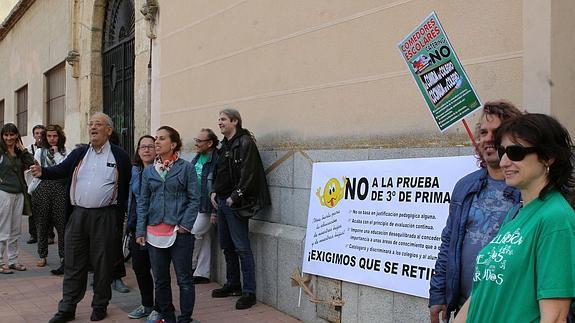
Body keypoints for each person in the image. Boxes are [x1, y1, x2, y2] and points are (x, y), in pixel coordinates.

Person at [454, 113, 575, 323]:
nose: (504, 161)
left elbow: (554, 317)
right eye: (503, 151)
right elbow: (483, 290)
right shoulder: (515, 212)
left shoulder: (556, 218)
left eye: (515, 152)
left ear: (548, 157)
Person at [30, 112, 131, 322]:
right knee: (73, 262)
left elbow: (127, 187)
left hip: (106, 216)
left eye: (98, 124)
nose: (93, 127)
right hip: (78, 216)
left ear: (109, 130)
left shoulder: (119, 155)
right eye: (91, 124)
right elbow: (62, 169)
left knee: (103, 263)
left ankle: (100, 305)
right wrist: (43, 172)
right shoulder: (80, 153)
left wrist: (120, 219)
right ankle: (67, 307)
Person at [429, 100, 523, 322]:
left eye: (497, 132)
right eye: (483, 132)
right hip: (464, 310)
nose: (489, 138)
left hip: (508, 311)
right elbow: (449, 243)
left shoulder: (527, 191)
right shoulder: (465, 187)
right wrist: (439, 293)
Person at [136, 126, 199, 323]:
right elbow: (143, 202)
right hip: (154, 232)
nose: (157, 142)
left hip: (179, 232)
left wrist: (185, 226)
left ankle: (185, 318)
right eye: (156, 138)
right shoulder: (149, 172)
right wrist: (140, 230)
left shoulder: (186, 168)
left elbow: (194, 199)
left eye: (162, 138)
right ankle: (168, 317)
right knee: (161, 280)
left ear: (173, 144)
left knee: (184, 280)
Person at [210, 108, 271, 310]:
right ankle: (233, 283)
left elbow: (250, 173)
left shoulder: (245, 142)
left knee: (242, 247)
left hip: (234, 203)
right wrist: (213, 192)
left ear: (235, 121)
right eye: (219, 119)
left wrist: (234, 197)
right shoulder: (224, 145)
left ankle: (249, 292)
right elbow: (218, 171)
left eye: (223, 119)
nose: (219, 123)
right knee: (227, 246)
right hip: (221, 201)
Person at [126, 135, 156, 319]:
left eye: (151, 146)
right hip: (138, 226)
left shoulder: (162, 170)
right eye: (142, 147)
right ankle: (146, 304)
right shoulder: (134, 171)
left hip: (157, 226)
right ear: (137, 151)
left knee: (159, 270)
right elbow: (131, 198)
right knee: (139, 266)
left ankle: (159, 307)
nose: (146, 150)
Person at [31, 125, 67, 272]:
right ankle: (42, 255)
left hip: (60, 188)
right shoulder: (39, 151)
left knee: (62, 224)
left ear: (60, 137)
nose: (52, 139)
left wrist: (57, 153)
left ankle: (64, 256)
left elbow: (64, 168)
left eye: (55, 136)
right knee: (42, 223)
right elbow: (35, 170)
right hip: (43, 188)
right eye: (49, 136)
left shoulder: (66, 152)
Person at [0, 123, 34, 273]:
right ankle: (1, 262)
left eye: (12, 134)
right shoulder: (0, 153)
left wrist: (23, 149)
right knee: (3, 229)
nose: (9, 138)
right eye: (6, 135)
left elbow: (32, 163)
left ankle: (13, 261)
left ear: (16, 136)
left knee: (15, 230)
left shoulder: (20, 153)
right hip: (4, 194)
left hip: (19, 194)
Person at [191, 128, 219, 284]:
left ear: (210, 143)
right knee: (205, 237)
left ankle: (190, 265)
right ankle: (202, 273)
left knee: (194, 232)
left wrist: (215, 211)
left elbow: (217, 185)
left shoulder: (216, 159)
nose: (197, 144)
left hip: (207, 206)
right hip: (195, 203)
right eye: (196, 140)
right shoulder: (197, 157)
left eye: (200, 141)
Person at [27, 124, 45, 244]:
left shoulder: (49, 149)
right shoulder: (29, 149)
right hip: (32, 184)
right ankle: (33, 235)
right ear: (33, 135)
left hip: (45, 183)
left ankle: (49, 234)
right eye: (37, 133)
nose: (39, 136)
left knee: (47, 210)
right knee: (32, 211)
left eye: (41, 133)